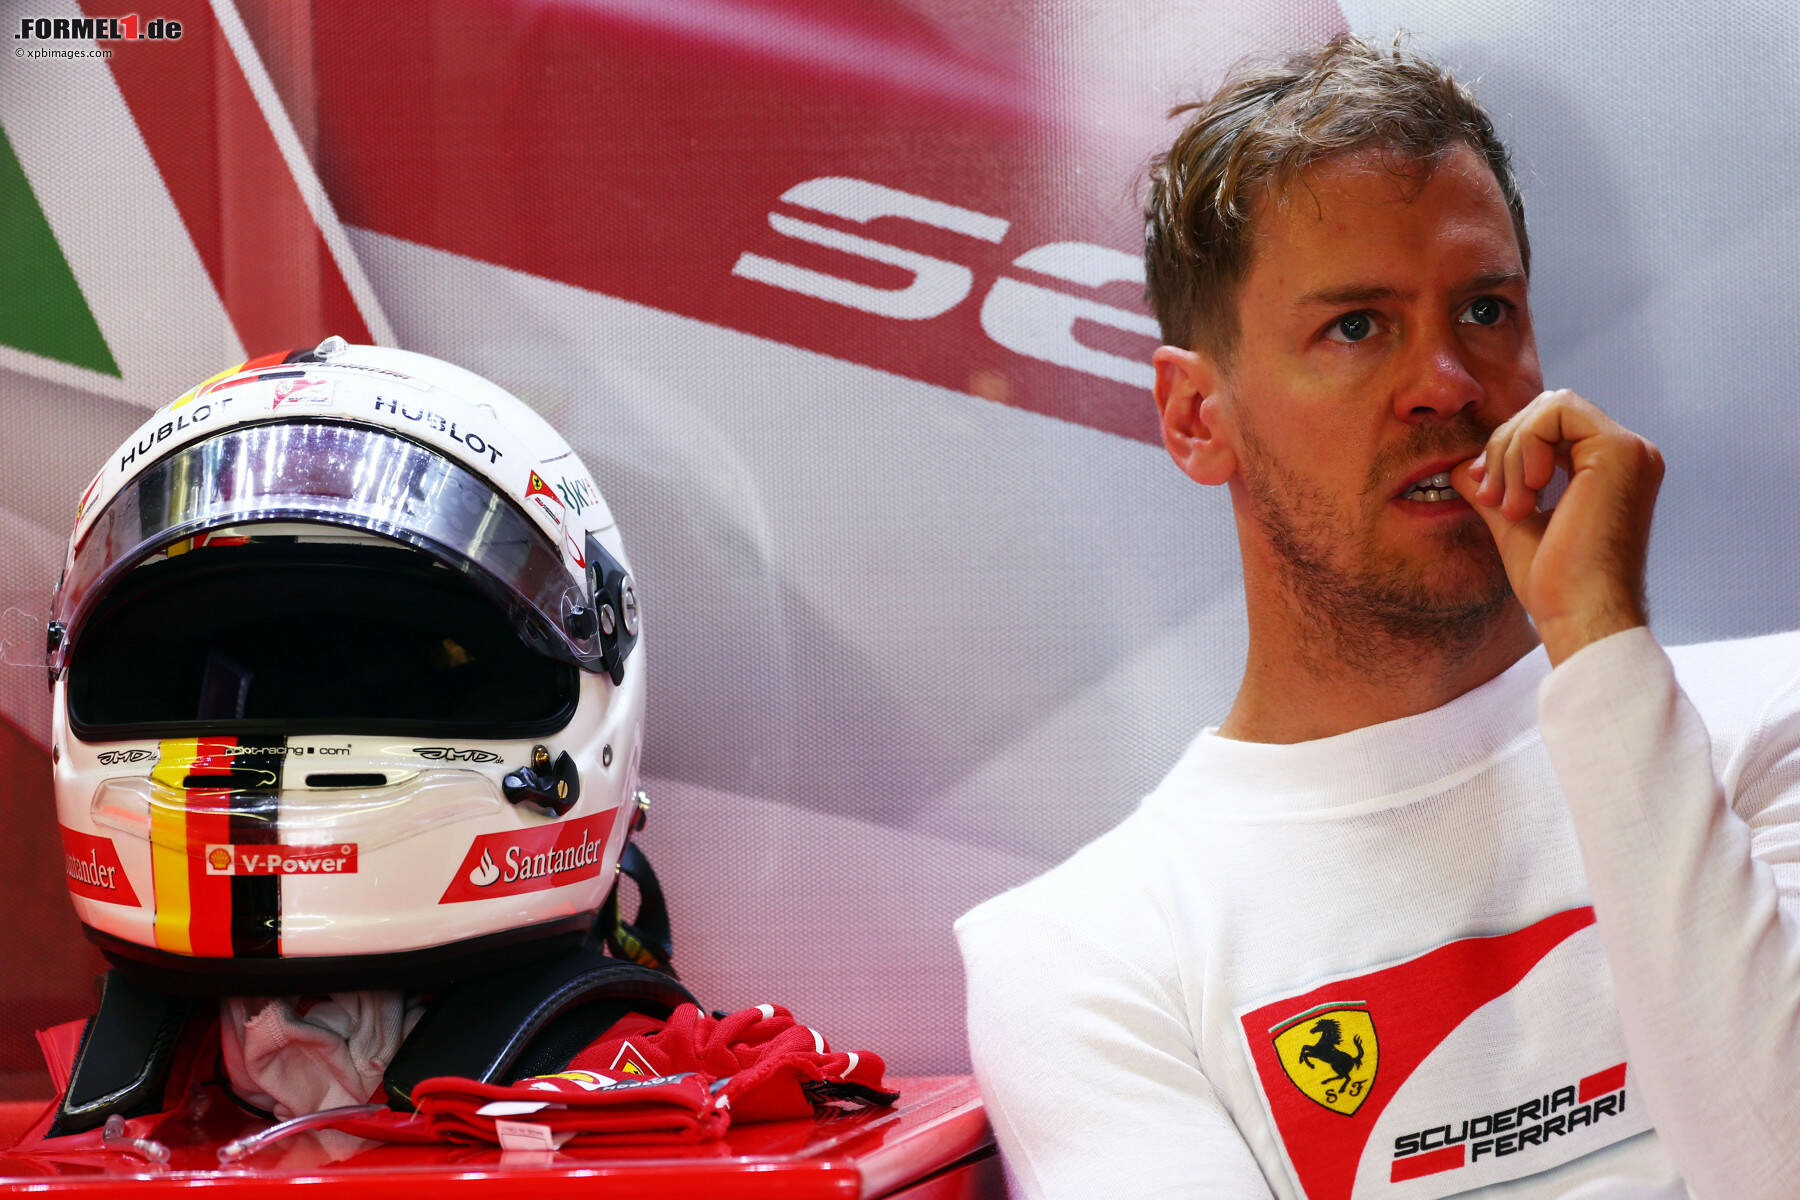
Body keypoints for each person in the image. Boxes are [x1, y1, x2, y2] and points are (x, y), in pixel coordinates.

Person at [955, 36, 1800, 1200]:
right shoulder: (1084, 953)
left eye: (1487, 309)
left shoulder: (1772, 728)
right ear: (1196, 416)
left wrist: (1602, 644)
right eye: (1358, 326)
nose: (1448, 381)